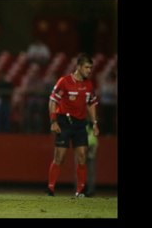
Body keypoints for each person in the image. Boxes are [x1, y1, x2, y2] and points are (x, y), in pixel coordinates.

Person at [46, 53, 99, 197]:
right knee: (59, 157)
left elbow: (91, 104)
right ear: (79, 67)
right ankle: (50, 188)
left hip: (80, 124)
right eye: (87, 67)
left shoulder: (88, 85)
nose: (89, 70)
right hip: (64, 122)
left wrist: (95, 123)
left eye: (90, 68)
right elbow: (52, 101)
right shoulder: (64, 81)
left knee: (82, 156)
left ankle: (80, 191)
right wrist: (53, 121)